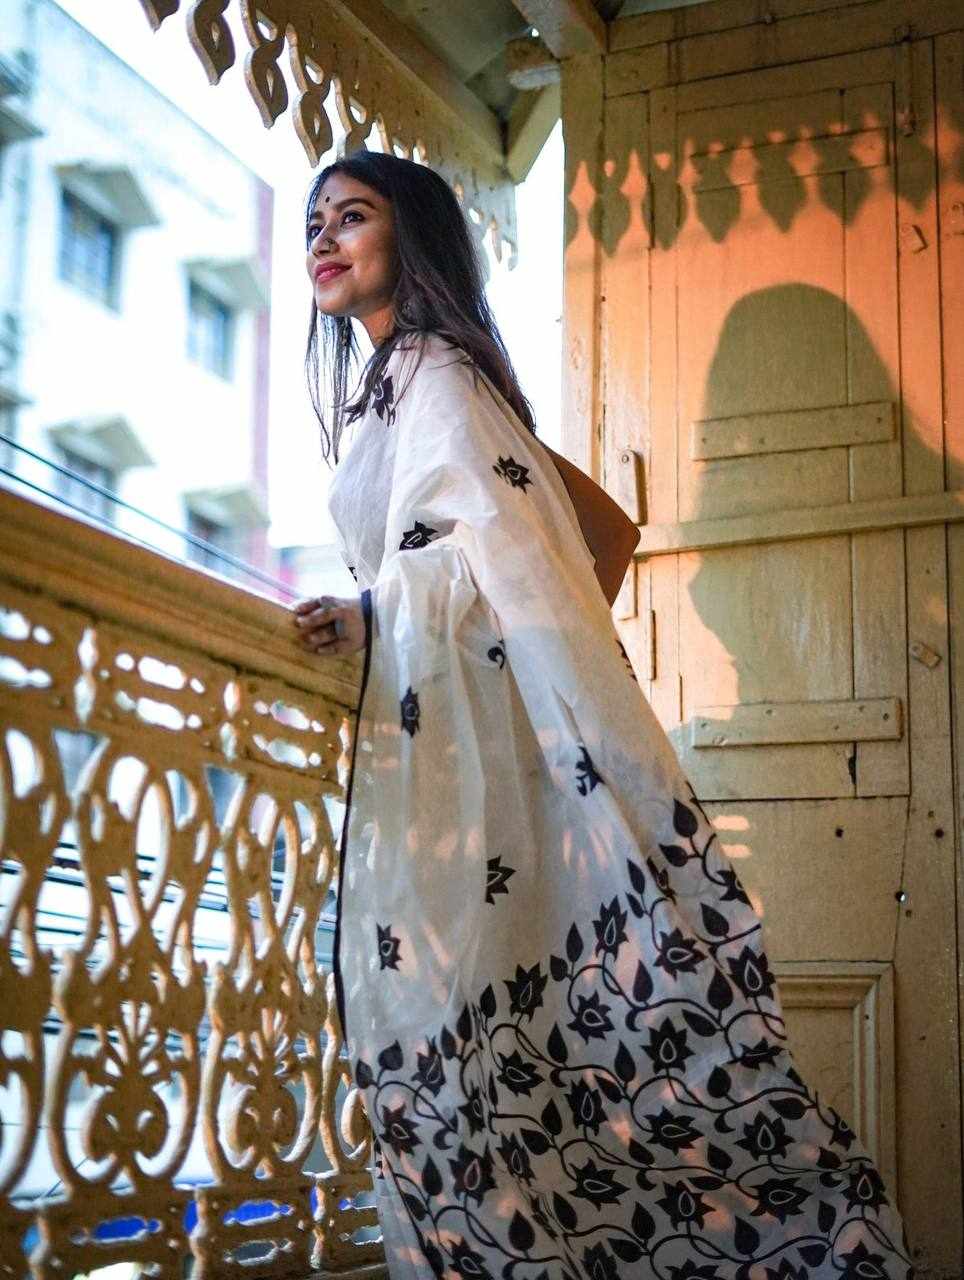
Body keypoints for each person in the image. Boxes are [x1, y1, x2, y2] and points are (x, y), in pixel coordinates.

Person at [292, 151, 914, 1280]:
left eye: (353, 216)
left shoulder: (433, 373)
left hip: (473, 769)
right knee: (557, 1074)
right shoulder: (424, 381)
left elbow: (528, 550)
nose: (323, 239)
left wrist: (394, 619)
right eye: (313, 223)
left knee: (509, 1076)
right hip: (475, 756)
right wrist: (521, 670)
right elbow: (597, 536)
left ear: (408, 235)